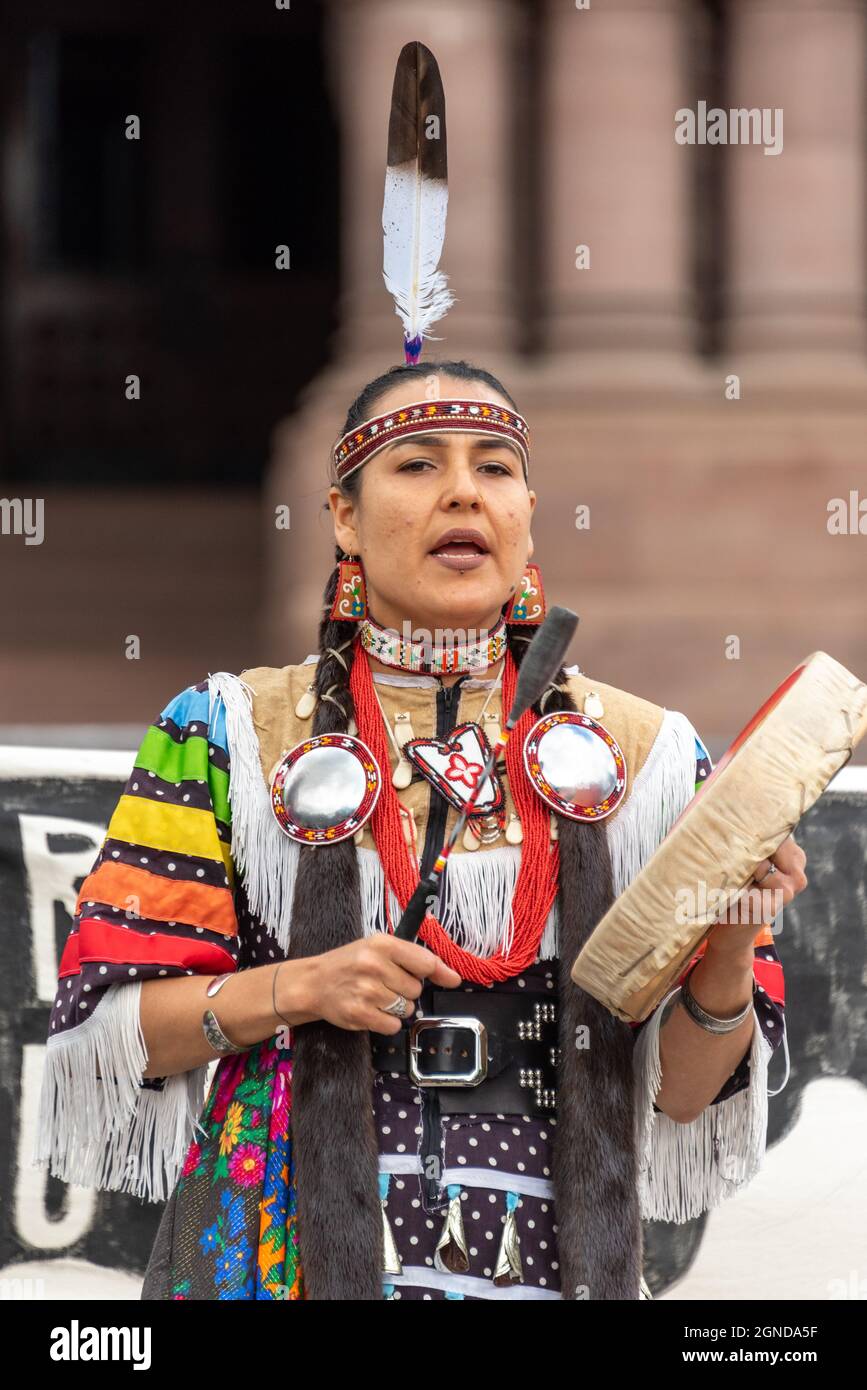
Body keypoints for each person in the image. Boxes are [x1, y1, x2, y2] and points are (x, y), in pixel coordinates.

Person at [33, 359, 803, 1301]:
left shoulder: (645, 756)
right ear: (344, 517)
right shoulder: (227, 731)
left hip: (554, 1259)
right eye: (415, 465)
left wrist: (727, 935)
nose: (460, 494)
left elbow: (683, 1094)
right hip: (281, 1260)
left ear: (526, 509)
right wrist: (298, 987)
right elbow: (113, 1032)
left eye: (492, 467)